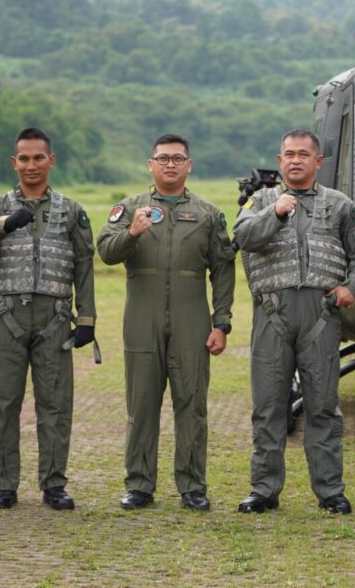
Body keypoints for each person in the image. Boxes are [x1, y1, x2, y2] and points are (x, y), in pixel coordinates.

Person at [233, 129, 355, 514]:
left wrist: (352, 286)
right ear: (279, 161)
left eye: (303, 154)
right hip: (272, 314)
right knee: (268, 406)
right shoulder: (259, 201)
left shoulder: (340, 205)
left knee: (323, 405)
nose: (295, 160)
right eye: (288, 154)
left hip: (321, 315)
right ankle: (264, 489)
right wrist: (275, 212)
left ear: (318, 162)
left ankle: (330, 491)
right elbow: (243, 237)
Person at [97, 134, 235, 512]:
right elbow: (106, 253)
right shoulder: (129, 209)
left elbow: (223, 269)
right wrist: (133, 233)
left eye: (178, 158)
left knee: (192, 403)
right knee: (141, 404)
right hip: (142, 314)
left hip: (193, 316)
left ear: (189, 165)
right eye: (163, 159)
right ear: (150, 165)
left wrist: (221, 323)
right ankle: (139, 484)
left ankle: (192, 485)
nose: (170, 165)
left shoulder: (207, 213)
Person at [0, 127, 96, 511]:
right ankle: (5, 484)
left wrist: (86, 318)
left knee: (55, 404)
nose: (32, 165)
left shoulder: (71, 211)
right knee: (3, 403)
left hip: (54, 318)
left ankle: (53, 484)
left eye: (39, 158)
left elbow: (85, 264)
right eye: (24, 158)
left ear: (51, 160)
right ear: (13, 162)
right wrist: (5, 223)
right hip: (7, 317)